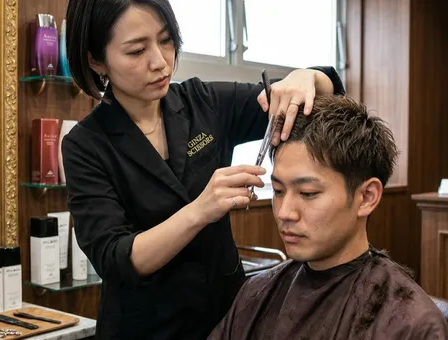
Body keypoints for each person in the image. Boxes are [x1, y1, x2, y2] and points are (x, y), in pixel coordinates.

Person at [62, 1, 344, 339]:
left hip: (225, 319)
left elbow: (322, 93)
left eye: (166, 40)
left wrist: (306, 77)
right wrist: (200, 210)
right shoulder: (86, 145)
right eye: (137, 50)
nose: (159, 61)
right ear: (96, 60)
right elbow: (116, 258)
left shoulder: (204, 102)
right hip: (145, 328)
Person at [208, 95, 448, 339]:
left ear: (366, 197)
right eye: (279, 191)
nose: (284, 213)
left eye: (308, 193)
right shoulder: (257, 294)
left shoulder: (410, 325)